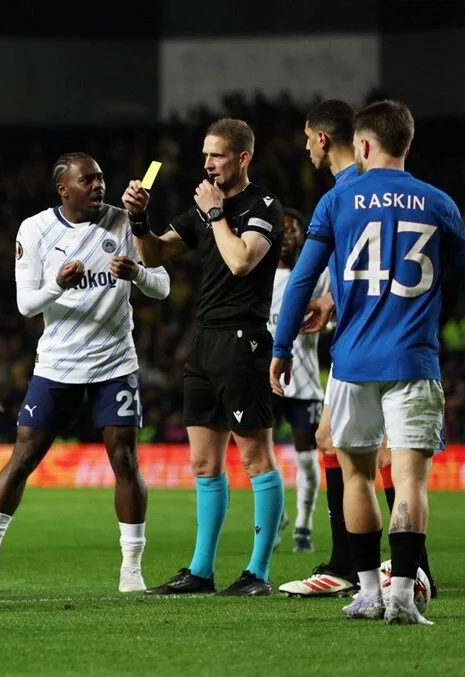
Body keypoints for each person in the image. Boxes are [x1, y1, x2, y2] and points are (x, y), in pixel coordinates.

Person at [271, 100, 465, 625]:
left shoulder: (338, 200)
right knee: (411, 480)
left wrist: (282, 348)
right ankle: (402, 596)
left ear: (365, 146)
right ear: (406, 144)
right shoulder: (437, 202)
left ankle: (369, 592)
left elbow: (302, 281)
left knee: (355, 477)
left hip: (352, 363)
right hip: (415, 360)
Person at [0, 152, 170, 595]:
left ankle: (131, 568)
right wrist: (57, 283)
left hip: (115, 361)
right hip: (58, 363)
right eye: (88, 180)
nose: (98, 186)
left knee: (125, 461)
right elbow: (25, 304)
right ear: (64, 189)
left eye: (101, 179)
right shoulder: (35, 229)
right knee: (23, 458)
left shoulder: (124, 222)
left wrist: (137, 274)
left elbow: (163, 285)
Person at [280, 100, 437, 598]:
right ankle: (355, 562)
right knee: (335, 440)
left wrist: (290, 333)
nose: (304, 146)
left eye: (307, 137)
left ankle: (399, 569)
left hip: (372, 348)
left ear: (324, 138)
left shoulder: (354, 189)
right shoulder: (364, 185)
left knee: (375, 453)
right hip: (377, 340)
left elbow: (380, 273)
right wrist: (333, 301)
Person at [129, 119, 287, 597]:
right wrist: (140, 221)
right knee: (203, 463)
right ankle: (200, 572)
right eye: (204, 155)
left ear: (242, 158)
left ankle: (257, 573)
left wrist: (216, 215)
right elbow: (154, 255)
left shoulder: (263, 207)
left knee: (256, 458)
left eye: (216, 155)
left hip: (245, 341)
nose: (206, 164)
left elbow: (241, 261)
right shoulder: (203, 207)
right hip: (205, 343)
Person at [267, 208, 329, 554]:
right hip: (267, 379)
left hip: (304, 383)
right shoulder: (258, 278)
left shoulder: (315, 279)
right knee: (263, 454)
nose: (288, 237)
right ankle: (276, 516)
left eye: (294, 231)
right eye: (283, 231)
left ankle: (303, 524)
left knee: (306, 458)